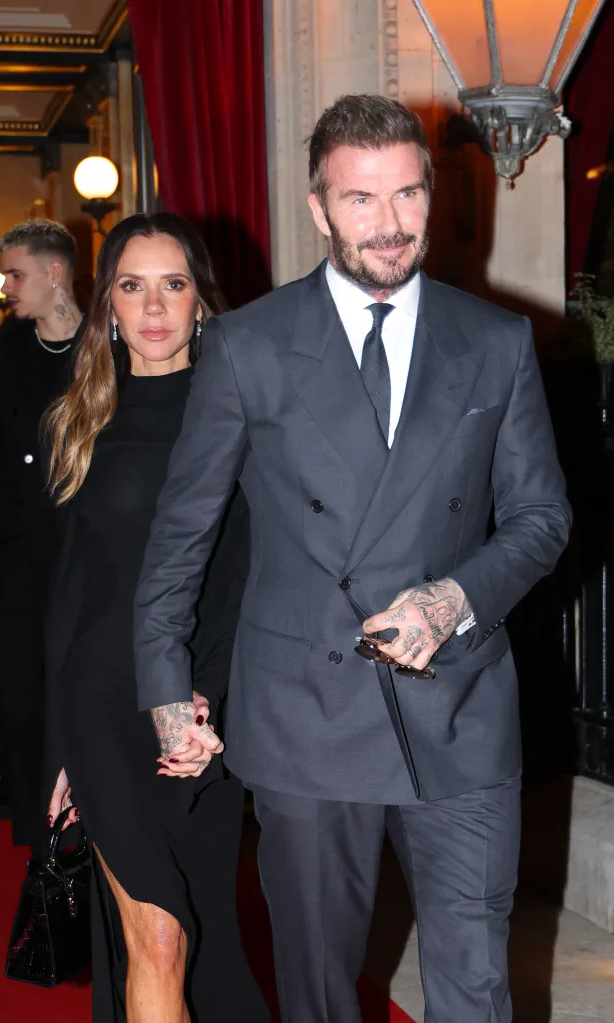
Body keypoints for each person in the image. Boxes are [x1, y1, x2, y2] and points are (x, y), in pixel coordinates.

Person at [134, 95, 572, 1023]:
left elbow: (540, 518)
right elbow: (183, 534)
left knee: (475, 984)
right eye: (361, 200)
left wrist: (453, 597)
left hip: (458, 707)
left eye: (406, 194)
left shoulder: (493, 340)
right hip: (305, 713)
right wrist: (167, 686)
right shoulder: (249, 345)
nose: (389, 224)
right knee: (321, 992)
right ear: (318, 208)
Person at [44, 213, 269, 1023]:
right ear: (107, 304)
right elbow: (71, 596)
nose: (153, 306)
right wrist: (58, 753)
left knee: (202, 930)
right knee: (159, 935)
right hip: (102, 708)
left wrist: (213, 706)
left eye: (173, 283)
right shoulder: (82, 424)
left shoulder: (245, 418)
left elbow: (247, 578)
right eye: (131, 286)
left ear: (202, 301)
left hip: (202, 719)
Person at [0, 219, 83, 847]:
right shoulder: (4, 353)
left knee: (83, 687)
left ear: (54, 273)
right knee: (20, 691)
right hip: (15, 555)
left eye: (14, 273)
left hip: (90, 552)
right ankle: (40, 836)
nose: (5, 286)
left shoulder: (106, 345)